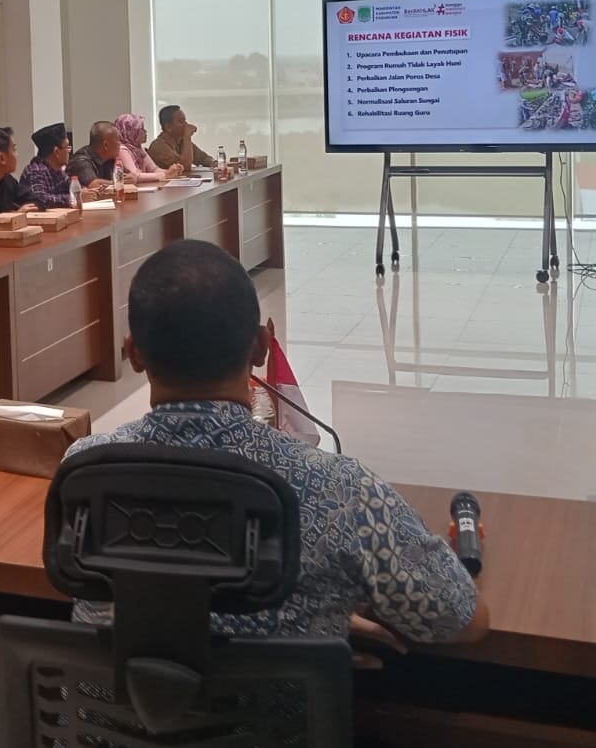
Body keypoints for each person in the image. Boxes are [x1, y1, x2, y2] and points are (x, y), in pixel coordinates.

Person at [64, 240, 487, 650]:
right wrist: (324, 608)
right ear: (261, 347)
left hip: (110, 700)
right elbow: (463, 619)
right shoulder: (342, 491)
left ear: (134, 354)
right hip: (274, 703)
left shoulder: (84, 472)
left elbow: (157, 595)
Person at [115, 113, 185, 184]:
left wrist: (172, 171)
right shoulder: (122, 149)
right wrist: (166, 175)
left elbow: (154, 170)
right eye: (141, 129)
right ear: (131, 131)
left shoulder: (138, 148)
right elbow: (135, 175)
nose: (145, 131)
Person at [146, 105, 217, 172]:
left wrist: (215, 163)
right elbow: (184, 167)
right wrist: (187, 137)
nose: (186, 125)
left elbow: (203, 158)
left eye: (185, 121)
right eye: (181, 121)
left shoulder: (181, 141)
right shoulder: (159, 146)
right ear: (168, 127)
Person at [21, 123, 76, 209]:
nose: (69, 151)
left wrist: (84, 192)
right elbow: (41, 200)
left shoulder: (58, 170)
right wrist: (72, 198)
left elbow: (72, 186)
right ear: (57, 152)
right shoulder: (36, 171)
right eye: (67, 147)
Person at [66, 121, 119, 196]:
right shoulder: (81, 160)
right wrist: (120, 182)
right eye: (118, 141)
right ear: (106, 145)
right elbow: (94, 185)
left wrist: (131, 177)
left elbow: (127, 175)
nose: (120, 144)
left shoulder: (110, 158)